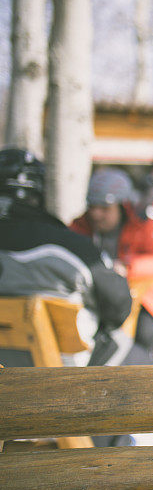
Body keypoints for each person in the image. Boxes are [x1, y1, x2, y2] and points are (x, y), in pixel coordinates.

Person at [0, 148, 132, 368]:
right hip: (58, 372)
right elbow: (119, 305)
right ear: (39, 191)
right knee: (122, 336)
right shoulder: (68, 245)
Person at [71, 168, 153, 365]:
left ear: (122, 206)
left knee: (146, 333)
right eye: (92, 206)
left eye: (105, 208)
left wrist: (127, 267)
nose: (96, 214)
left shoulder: (142, 225)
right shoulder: (79, 227)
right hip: (96, 299)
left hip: (143, 299)